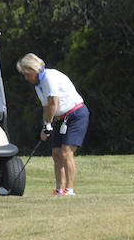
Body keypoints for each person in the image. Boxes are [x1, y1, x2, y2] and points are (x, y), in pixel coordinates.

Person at [16, 53, 90, 196]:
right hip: (60, 118)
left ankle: (69, 190)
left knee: (66, 152)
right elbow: (46, 107)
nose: (26, 77)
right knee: (56, 154)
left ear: (33, 69)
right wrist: (46, 126)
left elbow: (53, 102)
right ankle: (59, 189)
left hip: (76, 115)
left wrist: (48, 124)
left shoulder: (49, 77)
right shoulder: (38, 85)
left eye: (26, 74)